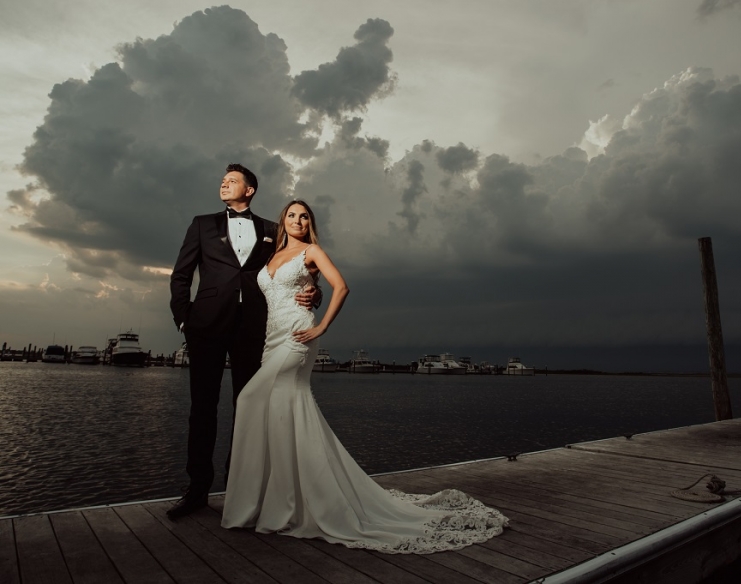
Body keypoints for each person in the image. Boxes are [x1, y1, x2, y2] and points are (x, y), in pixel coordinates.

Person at [222, 200, 508, 553]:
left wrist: (322, 325)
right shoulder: (270, 256)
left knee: (250, 398)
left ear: (310, 223)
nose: (298, 220)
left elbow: (341, 286)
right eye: (292, 215)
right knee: (280, 411)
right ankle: (277, 502)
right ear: (283, 220)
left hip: (299, 334)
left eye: (304, 216)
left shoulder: (312, 250)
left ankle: (275, 504)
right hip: (272, 338)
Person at [168, 164, 319, 521]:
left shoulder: (271, 229)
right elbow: (181, 274)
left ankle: (241, 487)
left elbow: (296, 269)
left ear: (249, 190)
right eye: (222, 180)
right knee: (202, 408)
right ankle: (197, 490)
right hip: (205, 325)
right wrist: (184, 318)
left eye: (232, 181)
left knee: (249, 406)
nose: (224, 184)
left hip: (254, 328)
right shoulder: (202, 224)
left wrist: (314, 293)